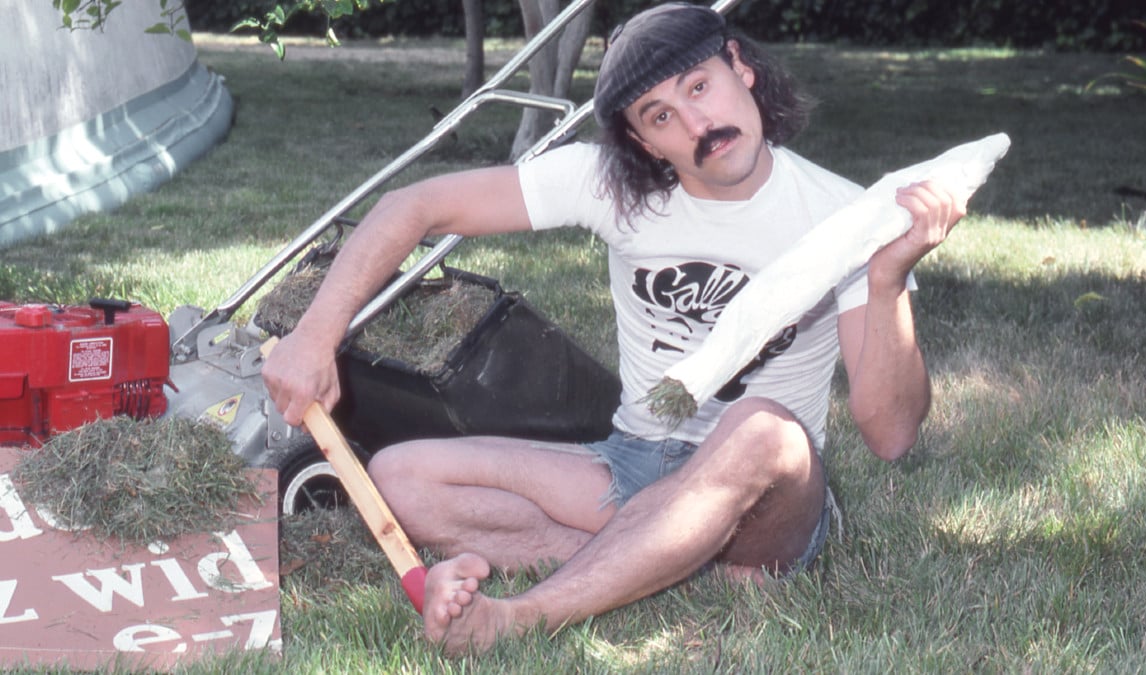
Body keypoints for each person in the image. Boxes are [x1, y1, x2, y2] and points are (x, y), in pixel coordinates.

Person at [262, 2, 967, 656]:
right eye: (659, 115)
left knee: (762, 427)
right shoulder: (610, 183)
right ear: (640, 139)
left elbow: (891, 432)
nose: (697, 125)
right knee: (398, 474)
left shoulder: (840, 216)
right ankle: (662, 562)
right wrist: (315, 335)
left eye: (700, 86)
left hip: (766, 500)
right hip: (634, 462)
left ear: (740, 68)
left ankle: (526, 613)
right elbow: (414, 206)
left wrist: (884, 281)